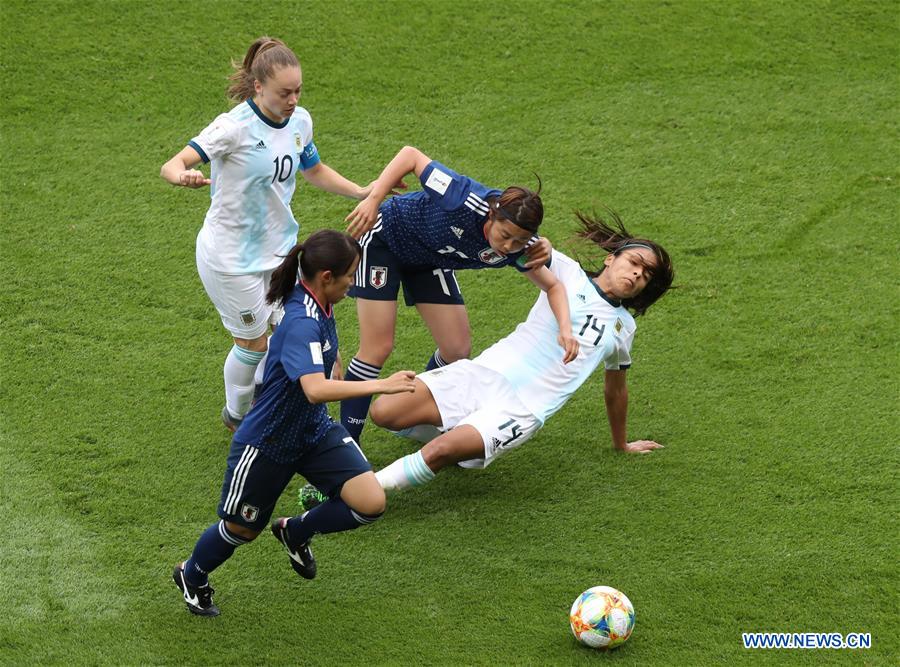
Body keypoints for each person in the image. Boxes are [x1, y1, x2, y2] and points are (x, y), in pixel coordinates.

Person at [172, 230, 417, 617]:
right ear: (325, 276)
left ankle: (296, 530)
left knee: (370, 503)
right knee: (241, 530)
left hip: (313, 431)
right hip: (268, 442)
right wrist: (383, 384)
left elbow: (320, 373)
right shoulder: (302, 320)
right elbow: (315, 390)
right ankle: (193, 574)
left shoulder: (319, 301)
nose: (353, 285)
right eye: (350, 276)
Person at [365, 211, 674, 493]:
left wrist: (621, 444)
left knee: (440, 453)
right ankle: (457, 433)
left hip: (522, 409)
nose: (637, 275)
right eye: (634, 263)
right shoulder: (568, 272)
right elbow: (525, 242)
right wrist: (544, 242)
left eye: (645, 275)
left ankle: (355, 493)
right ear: (611, 259)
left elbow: (616, 390)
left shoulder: (623, 327)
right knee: (384, 412)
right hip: (484, 373)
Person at [160, 36, 377, 432]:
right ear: (258, 87)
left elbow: (312, 169)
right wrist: (183, 175)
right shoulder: (232, 128)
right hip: (231, 259)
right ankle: (239, 415)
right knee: (254, 343)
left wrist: (360, 190)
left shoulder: (300, 121)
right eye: (284, 92)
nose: (293, 99)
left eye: (298, 91)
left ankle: (302, 410)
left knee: (305, 329)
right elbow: (173, 163)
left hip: (280, 252)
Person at [337, 145, 555, 445]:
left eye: (518, 242)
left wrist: (545, 246)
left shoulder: (522, 244)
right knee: (378, 347)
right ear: (491, 215)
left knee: (457, 349)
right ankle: (346, 445)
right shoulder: (461, 197)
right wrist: (373, 199)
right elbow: (410, 156)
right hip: (386, 240)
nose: (506, 247)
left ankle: (412, 414)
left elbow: (552, 278)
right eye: (504, 236)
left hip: (429, 259)